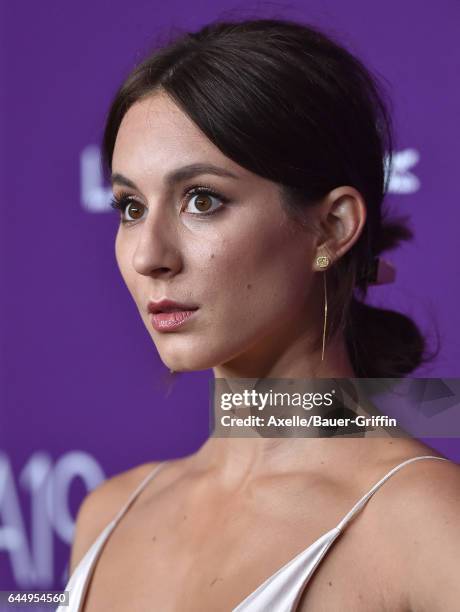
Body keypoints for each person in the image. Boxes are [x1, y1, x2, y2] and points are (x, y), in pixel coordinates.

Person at [61, 18, 460, 611]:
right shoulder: (108, 513)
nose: (149, 256)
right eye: (131, 207)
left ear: (333, 227)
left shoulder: (428, 528)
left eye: (202, 200)